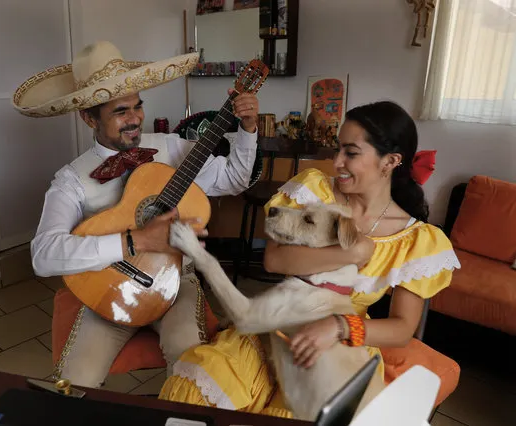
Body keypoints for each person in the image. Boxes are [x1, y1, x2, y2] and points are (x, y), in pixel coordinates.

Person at [158, 100, 461, 418]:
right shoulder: (316, 191)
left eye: (351, 152)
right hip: (275, 325)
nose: (337, 161)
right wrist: (351, 253)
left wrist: (338, 326)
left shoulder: (415, 239)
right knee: (193, 398)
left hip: (335, 350)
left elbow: (401, 329)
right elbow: (275, 260)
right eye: (338, 149)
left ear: (390, 161)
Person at [12, 41, 261, 388]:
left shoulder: (169, 147)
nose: (134, 119)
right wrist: (134, 240)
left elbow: (234, 178)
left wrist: (247, 131)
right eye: (120, 112)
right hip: (109, 290)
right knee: (74, 381)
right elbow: (43, 256)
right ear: (89, 117)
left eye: (138, 107)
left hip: (175, 286)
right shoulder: (71, 179)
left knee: (190, 360)